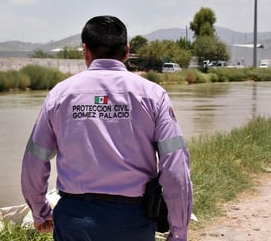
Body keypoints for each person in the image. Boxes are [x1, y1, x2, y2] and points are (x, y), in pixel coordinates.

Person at [21, 15, 193, 241]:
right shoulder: (153, 95)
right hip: (133, 220)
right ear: (127, 51)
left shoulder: (60, 95)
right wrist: (179, 231)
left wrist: (40, 211)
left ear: (85, 51)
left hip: (75, 220)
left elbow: (34, 160)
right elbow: (175, 166)